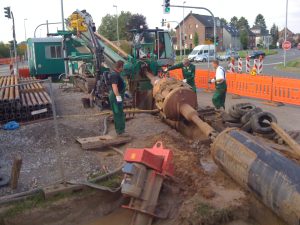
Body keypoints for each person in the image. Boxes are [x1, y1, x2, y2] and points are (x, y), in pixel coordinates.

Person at [109, 60, 127, 136]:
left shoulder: (117, 74)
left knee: (121, 112)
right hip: (115, 97)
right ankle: (119, 132)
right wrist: (118, 97)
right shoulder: (114, 75)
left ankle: (122, 130)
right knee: (117, 113)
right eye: (123, 67)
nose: (123, 68)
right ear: (120, 67)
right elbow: (114, 86)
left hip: (118, 95)